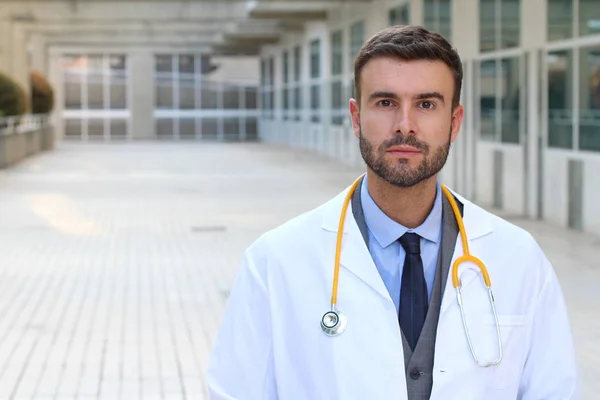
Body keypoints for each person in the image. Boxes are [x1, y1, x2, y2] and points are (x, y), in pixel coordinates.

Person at [206, 25, 581, 400]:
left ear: (454, 122)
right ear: (356, 118)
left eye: (426, 104)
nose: (405, 124)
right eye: (385, 103)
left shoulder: (518, 258)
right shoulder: (276, 262)